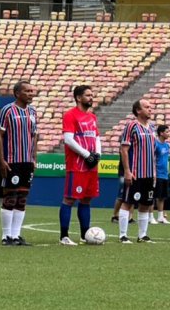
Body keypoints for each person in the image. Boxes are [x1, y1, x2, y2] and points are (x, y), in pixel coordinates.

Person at [0, 80, 38, 246]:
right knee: (10, 197)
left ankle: (16, 235)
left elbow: (35, 136)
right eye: (27, 91)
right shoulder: (7, 110)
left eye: (32, 91)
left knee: (22, 198)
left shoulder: (33, 112)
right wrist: (1, 160)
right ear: (17, 93)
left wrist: (34, 157)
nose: (30, 93)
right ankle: (6, 236)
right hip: (12, 160)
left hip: (27, 161)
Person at [59, 85, 101, 246]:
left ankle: (85, 235)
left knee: (86, 200)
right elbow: (68, 139)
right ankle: (64, 236)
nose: (91, 97)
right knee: (69, 199)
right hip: (77, 165)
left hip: (91, 165)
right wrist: (86, 155)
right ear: (78, 97)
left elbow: (96, 137)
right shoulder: (70, 115)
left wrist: (97, 154)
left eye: (92, 94)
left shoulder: (92, 117)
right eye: (88, 95)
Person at [118, 99, 156, 243]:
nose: (150, 109)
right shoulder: (131, 126)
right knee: (128, 202)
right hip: (135, 172)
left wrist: (154, 173)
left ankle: (142, 235)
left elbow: (152, 152)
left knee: (146, 204)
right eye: (146, 107)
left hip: (149, 174)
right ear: (138, 110)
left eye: (150, 107)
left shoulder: (152, 128)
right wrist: (127, 171)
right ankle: (123, 235)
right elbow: (124, 149)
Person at [152, 125, 170, 225]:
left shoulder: (168, 146)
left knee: (162, 197)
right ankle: (150, 217)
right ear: (161, 133)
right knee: (154, 196)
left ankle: (160, 217)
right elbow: (152, 159)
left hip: (164, 175)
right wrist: (153, 172)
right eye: (167, 132)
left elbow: (167, 160)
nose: (169, 133)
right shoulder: (155, 144)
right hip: (157, 174)